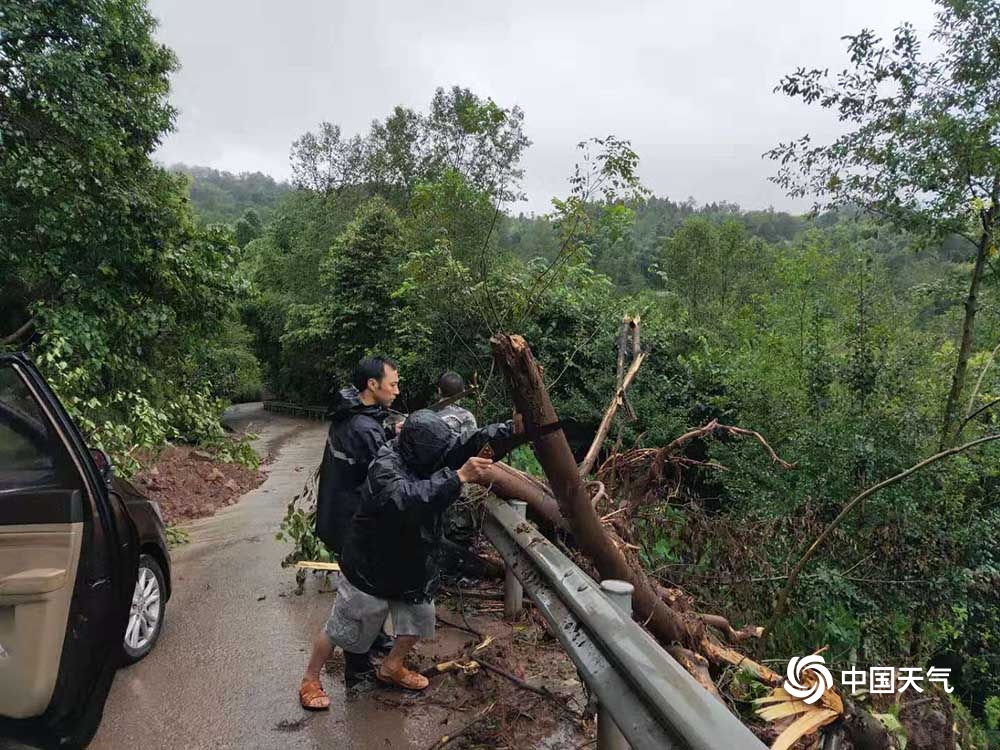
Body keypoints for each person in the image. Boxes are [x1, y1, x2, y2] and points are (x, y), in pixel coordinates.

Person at [299, 410, 514, 708]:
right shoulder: (385, 467)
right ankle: (310, 678)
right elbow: (407, 498)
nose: (443, 457)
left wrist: (513, 429)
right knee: (343, 626)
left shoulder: (431, 452)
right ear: (414, 448)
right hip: (370, 564)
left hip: (413, 561)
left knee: (419, 618)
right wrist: (457, 477)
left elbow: (468, 443)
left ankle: (392, 666)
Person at [308, 356, 398, 694]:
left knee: (370, 589)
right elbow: (387, 478)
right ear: (372, 385)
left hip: (340, 517)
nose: (397, 390)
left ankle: (375, 640)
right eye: (393, 384)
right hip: (353, 525)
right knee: (362, 595)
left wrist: (390, 432)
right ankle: (357, 669)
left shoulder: (352, 413)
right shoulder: (363, 428)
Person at [435, 371, 477, 438]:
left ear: (439, 390)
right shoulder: (466, 417)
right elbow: (472, 442)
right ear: (463, 392)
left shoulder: (428, 415)